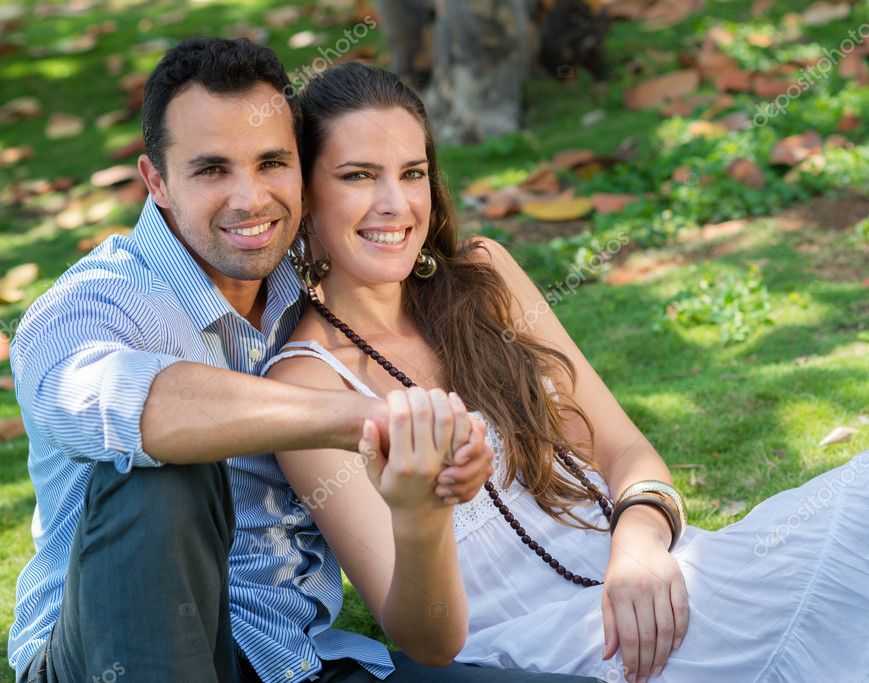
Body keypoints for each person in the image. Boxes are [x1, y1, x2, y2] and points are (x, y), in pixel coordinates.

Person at [264, 60, 869, 683]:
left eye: (413, 171)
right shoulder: (305, 388)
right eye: (359, 175)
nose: (395, 204)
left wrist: (636, 547)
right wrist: (419, 510)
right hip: (558, 648)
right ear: (306, 192)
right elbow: (422, 636)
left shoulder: (481, 276)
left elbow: (628, 454)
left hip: (658, 574)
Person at [8, 38, 601, 683]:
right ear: (156, 181)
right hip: (113, 649)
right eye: (211, 170)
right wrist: (367, 419)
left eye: (272, 163)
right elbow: (123, 401)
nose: (251, 199)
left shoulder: (300, 284)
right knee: (163, 473)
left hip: (293, 660)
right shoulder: (89, 306)